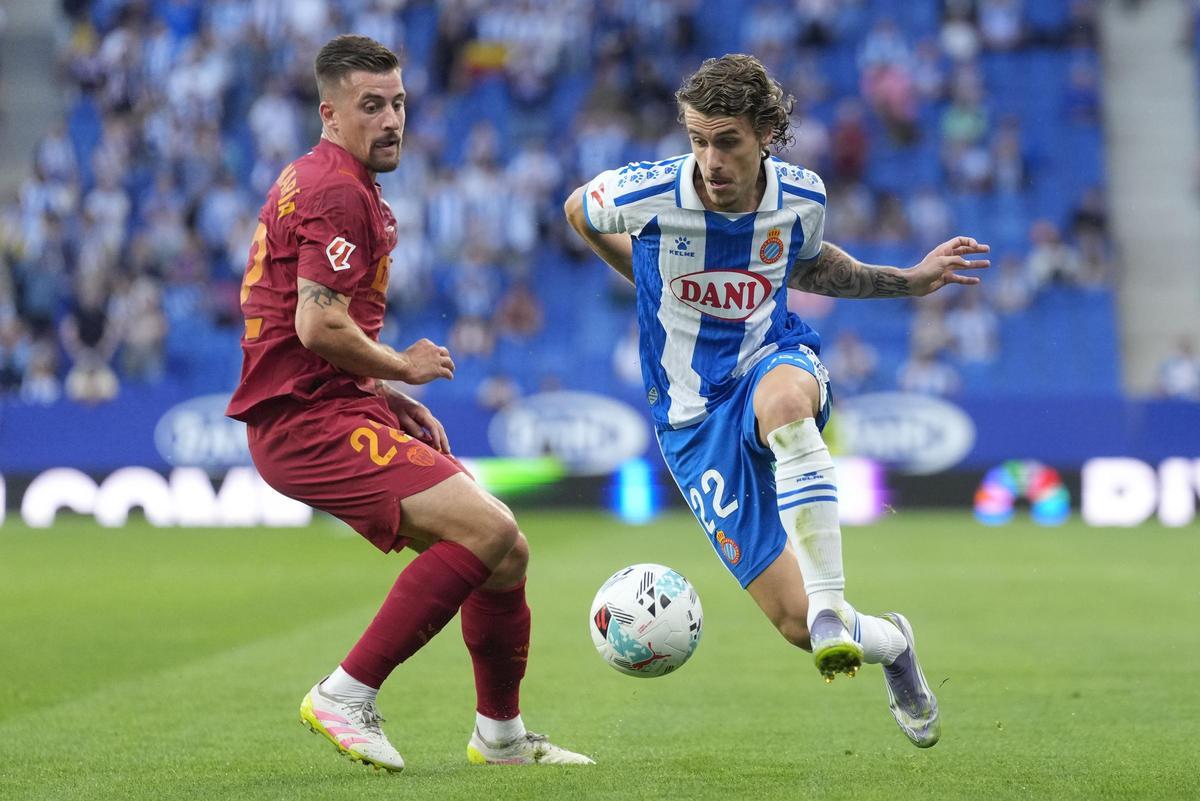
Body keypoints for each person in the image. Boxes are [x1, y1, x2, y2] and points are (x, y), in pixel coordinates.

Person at [565, 53, 990, 749]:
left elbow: (817, 262)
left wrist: (910, 281)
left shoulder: (802, 196)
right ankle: (892, 643)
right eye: (698, 140)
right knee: (794, 626)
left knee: (787, 402)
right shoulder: (647, 193)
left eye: (726, 140)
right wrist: (637, 266)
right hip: (691, 421)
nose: (710, 160)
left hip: (772, 359)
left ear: (766, 132)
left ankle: (832, 608)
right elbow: (577, 209)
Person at [226, 35, 591, 773]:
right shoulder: (334, 189)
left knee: (505, 553)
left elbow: (318, 327)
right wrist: (404, 366)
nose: (392, 119)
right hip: (305, 423)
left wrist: (382, 393)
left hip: (333, 403)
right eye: (371, 106)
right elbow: (317, 324)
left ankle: (501, 737)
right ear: (330, 113)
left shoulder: (329, 179)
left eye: (397, 102)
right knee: (488, 530)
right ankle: (345, 692)